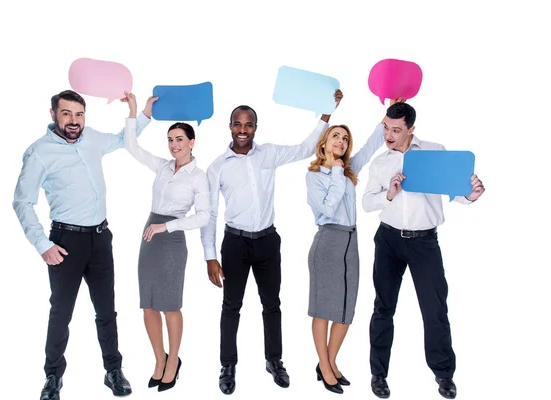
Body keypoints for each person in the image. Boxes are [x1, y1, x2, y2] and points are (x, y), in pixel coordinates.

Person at [12, 89, 153, 400]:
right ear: (53, 115)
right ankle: (52, 377)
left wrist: (139, 114)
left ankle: (113, 370)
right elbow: (22, 201)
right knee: (61, 312)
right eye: (66, 114)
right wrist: (42, 245)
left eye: (79, 114)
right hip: (66, 242)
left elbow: (121, 140)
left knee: (106, 310)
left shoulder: (91, 138)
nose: (74, 121)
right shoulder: (39, 152)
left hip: (101, 239)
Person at [201, 90, 343, 395]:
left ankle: (274, 360)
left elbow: (306, 148)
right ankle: (228, 366)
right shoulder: (217, 167)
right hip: (235, 244)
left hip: (267, 241)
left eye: (248, 124)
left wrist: (326, 114)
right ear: (229, 126)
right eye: (237, 124)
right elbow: (210, 214)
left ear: (255, 127)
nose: (242, 129)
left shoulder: (269, 154)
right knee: (231, 305)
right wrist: (210, 256)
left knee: (272, 304)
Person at [361, 102, 485, 399]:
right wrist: (389, 194)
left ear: (411, 129)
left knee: (434, 309)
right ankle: (378, 374)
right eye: (386, 129)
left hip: (424, 242)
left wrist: (471, 194)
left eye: (396, 130)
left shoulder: (434, 151)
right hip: (388, 240)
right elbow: (367, 203)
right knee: (383, 308)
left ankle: (444, 375)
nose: (388, 135)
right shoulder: (380, 163)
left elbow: (457, 192)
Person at [306, 100, 402, 393]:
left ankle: (329, 362)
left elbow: (374, 143)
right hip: (328, 241)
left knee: (346, 309)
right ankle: (325, 365)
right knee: (323, 308)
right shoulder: (315, 176)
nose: (341, 140)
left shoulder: (348, 170)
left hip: (351, 241)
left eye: (345, 138)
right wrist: (335, 171)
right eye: (336, 135)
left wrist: (388, 116)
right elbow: (328, 208)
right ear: (324, 144)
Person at [120, 92, 210, 392]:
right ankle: (159, 359)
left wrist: (167, 226)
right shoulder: (161, 166)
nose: (174, 144)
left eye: (180, 139)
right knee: (148, 305)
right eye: (170, 139)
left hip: (171, 239)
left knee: (169, 305)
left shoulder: (198, 177)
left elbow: (204, 217)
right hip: (150, 235)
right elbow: (131, 145)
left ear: (192, 142)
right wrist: (137, 111)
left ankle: (174, 361)